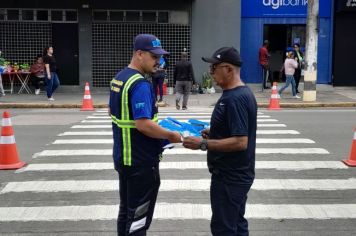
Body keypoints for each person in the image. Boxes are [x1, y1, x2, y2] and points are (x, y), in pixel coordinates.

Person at [109, 34, 181, 236]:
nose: (158, 61)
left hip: (123, 157)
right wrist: (171, 135)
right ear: (139, 54)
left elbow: (112, 111)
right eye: (154, 56)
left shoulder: (120, 78)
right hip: (141, 161)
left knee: (126, 212)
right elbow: (143, 124)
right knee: (138, 220)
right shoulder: (140, 84)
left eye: (159, 57)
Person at [183, 46, 257, 236]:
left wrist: (203, 144)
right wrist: (214, 132)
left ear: (229, 69)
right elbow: (234, 130)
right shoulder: (235, 94)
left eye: (214, 67)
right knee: (236, 223)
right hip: (235, 174)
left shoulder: (236, 98)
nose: (211, 72)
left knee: (223, 228)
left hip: (230, 177)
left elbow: (241, 141)